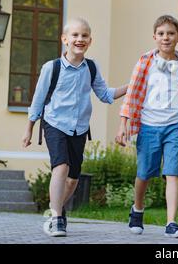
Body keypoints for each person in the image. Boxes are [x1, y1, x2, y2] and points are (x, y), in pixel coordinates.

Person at [22, 18, 128, 237]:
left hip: (79, 128)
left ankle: (56, 211)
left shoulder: (91, 67)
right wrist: (29, 129)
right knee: (61, 167)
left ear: (90, 41)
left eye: (84, 36)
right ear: (64, 39)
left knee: (73, 180)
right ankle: (56, 219)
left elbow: (105, 95)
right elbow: (38, 99)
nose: (80, 39)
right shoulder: (51, 68)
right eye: (75, 35)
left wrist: (131, 86)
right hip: (54, 124)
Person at [115, 15, 178, 238]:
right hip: (149, 126)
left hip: (174, 126)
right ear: (154, 37)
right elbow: (132, 95)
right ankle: (137, 210)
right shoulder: (145, 62)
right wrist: (123, 124)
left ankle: (171, 223)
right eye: (161, 34)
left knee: (173, 173)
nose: (166, 38)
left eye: (170, 33)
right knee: (144, 174)